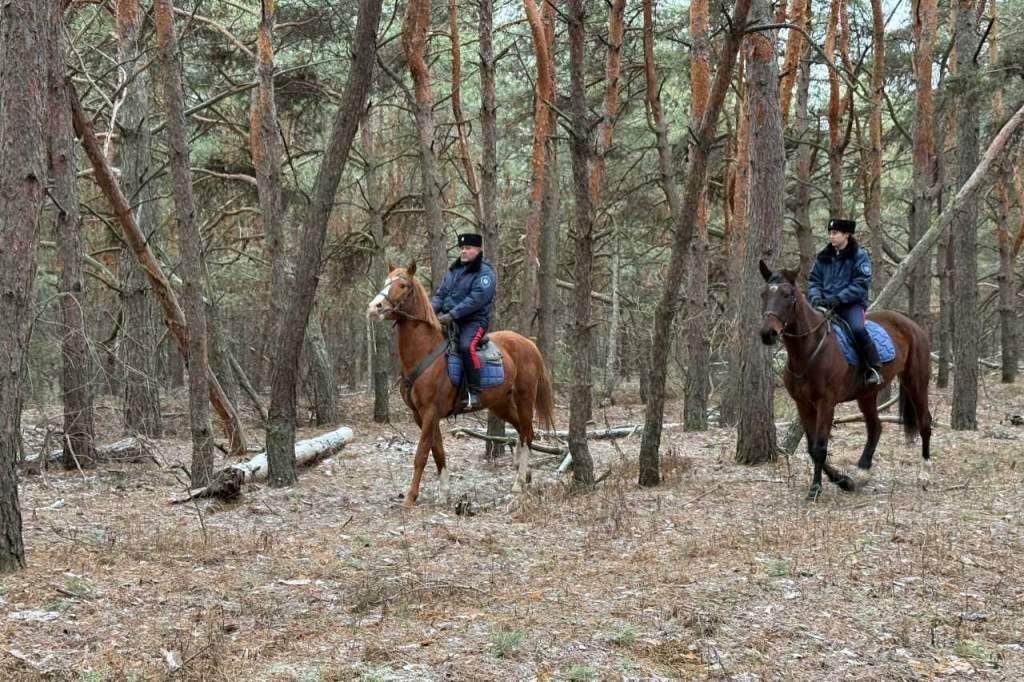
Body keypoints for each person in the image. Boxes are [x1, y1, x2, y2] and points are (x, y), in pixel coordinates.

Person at [808, 218, 883, 386]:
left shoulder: (859, 255)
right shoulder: (823, 256)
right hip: (825, 305)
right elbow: (814, 281)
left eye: (835, 233)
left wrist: (839, 298)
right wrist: (815, 297)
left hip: (851, 305)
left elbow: (861, 283)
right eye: (829, 233)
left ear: (846, 234)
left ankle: (873, 368)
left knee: (857, 329)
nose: (831, 236)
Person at [431, 233, 497, 408]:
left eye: (468, 248)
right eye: (462, 248)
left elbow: (476, 299)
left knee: (466, 347)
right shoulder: (453, 272)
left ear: (479, 250)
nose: (464, 251)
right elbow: (440, 295)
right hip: (449, 320)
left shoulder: (485, 273)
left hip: (474, 321)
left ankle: (474, 392)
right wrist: (430, 312)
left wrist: (452, 314)